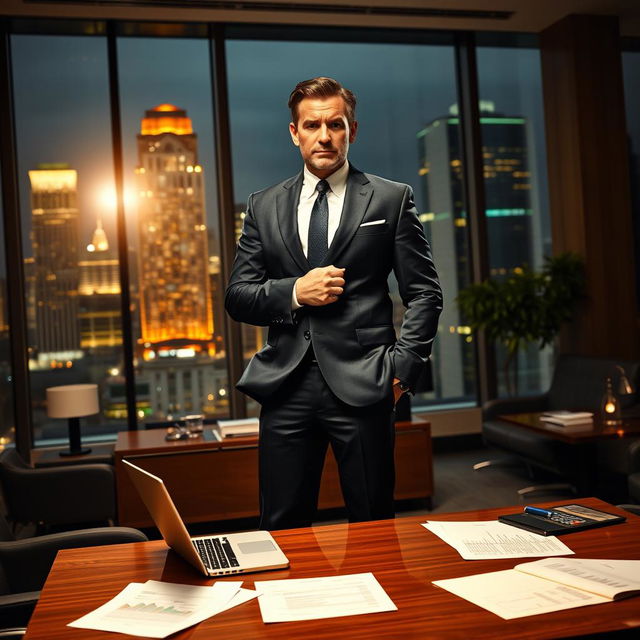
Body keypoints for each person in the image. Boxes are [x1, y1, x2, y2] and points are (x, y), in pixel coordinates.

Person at [225, 77, 442, 530]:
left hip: (366, 383)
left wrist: (402, 372)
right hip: (286, 386)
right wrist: (294, 292)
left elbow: (424, 292)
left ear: (352, 130)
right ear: (294, 132)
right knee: (281, 528)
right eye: (312, 125)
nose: (324, 136)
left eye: (335, 124)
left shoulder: (390, 198)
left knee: (374, 523)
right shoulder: (262, 206)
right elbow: (238, 297)